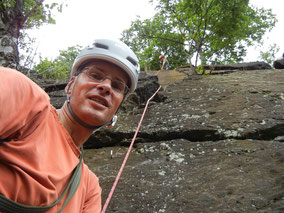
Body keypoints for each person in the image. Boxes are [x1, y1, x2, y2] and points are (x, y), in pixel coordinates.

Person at [0, 39, 140, 212]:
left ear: (116, 110)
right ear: (70, 85)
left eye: (117, 86)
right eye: (95, 75)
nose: (106, 87)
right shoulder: (25, 100)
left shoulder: (89, 188)